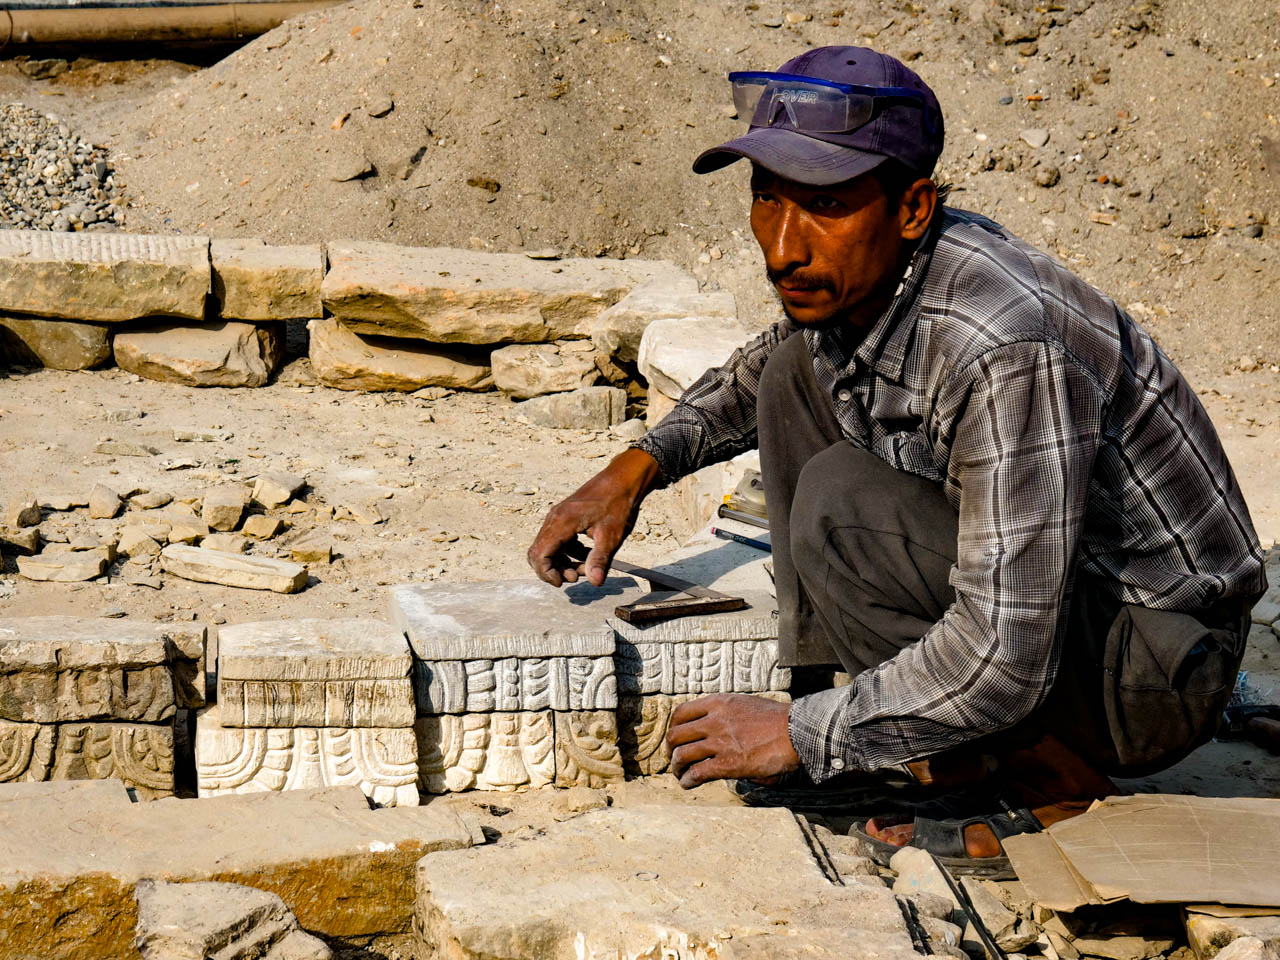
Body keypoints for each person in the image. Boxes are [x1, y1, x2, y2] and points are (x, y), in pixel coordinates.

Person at [527, 45, 1267, 873]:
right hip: (1081, 620)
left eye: (825, 205)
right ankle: (885, 735)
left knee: (841, 502)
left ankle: (1048, 781)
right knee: (793, 373)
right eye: (767, 199)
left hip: (1153, 672)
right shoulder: (886, 273)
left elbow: (1005, 651)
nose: (783, 248)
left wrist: (800, 736)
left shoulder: (1002, 345)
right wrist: (635, 469)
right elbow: (764, 366)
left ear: (913, 208)